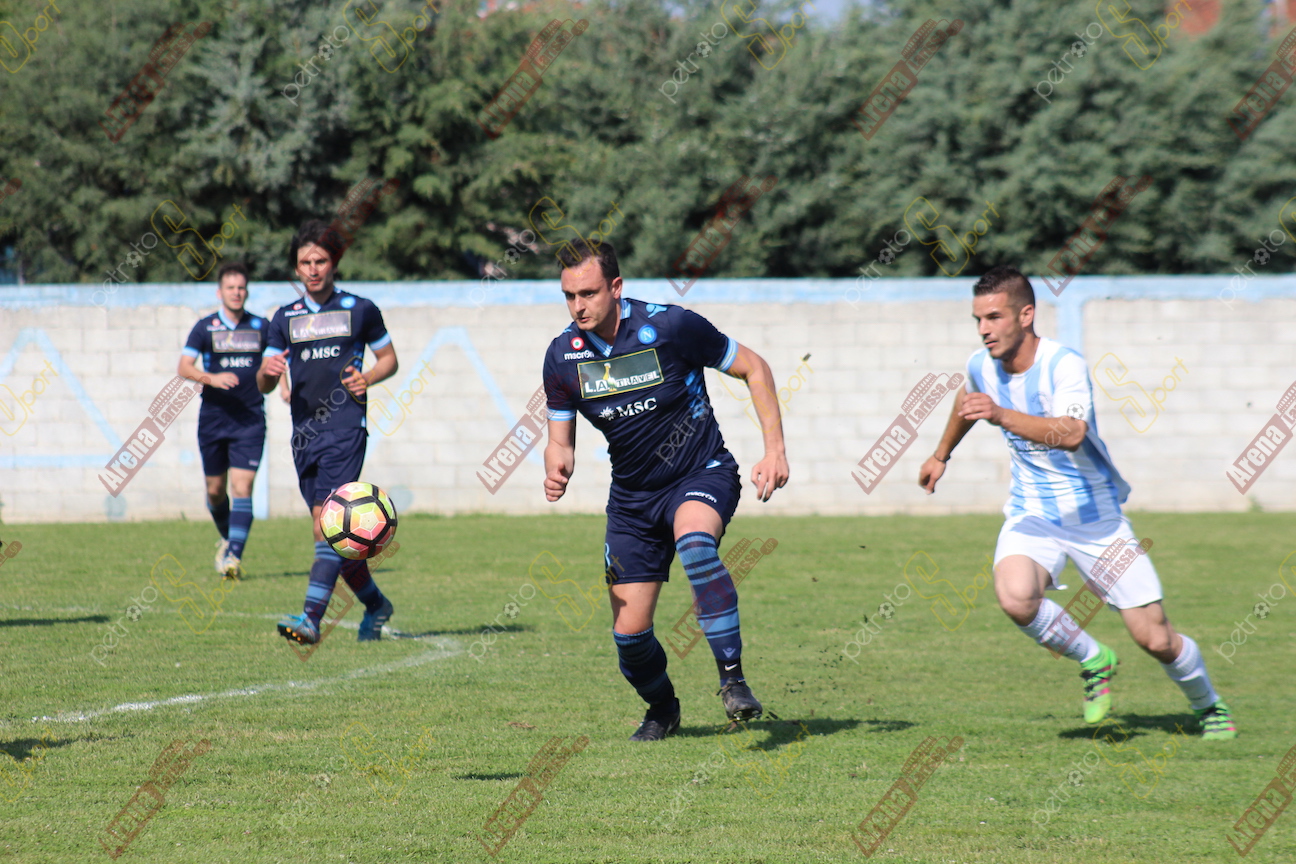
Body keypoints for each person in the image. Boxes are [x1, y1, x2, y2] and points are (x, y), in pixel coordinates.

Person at [918, 265, 1235, 739]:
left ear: (1026, 315)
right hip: (1032, 512)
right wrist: (941, 454)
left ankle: (1209, 706)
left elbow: (1070, 434)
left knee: (1155, 638)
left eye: (994, 317)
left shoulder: (1062, 365)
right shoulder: (980, 364)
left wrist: (1001, 414)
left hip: (1095, 519)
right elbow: (970, 400)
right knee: (1015, 597)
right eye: (978, 319)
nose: (984, 329)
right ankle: (1094, 659)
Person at [541, 239, 789, 741]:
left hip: (701, 472)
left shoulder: (672, 327)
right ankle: (663, 709)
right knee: (630, 639)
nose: (578, 306)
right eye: (569, 296)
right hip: (633, 502)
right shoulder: (562, 357)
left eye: (588, 293)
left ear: (616, 287)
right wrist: (557, 464)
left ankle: (733, 681)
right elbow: (559, 440)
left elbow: (754, 367)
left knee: (696, 545)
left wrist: (775, 449)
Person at [257, 220, 399, 645]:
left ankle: (311, 620)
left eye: (320, 260)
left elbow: (389, 358)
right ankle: (377, 606)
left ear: (333, 263)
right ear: (296, 268)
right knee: (336, 536)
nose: (313, 269)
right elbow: (264, 383)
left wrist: (367, 378)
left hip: (345, 427)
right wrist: (268, 373)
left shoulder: (360, 309)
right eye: (305, 262)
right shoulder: (284, 318)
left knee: (326, 529)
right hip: (304, 434)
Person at [178, 262, 267, 580]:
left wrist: (284, 387)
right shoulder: (205, 328)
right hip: (213, 419)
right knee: (215, 491)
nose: (236, 293)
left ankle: (233, 557)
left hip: (250, 420)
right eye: (231, 288)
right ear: (220, 292)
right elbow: (184, 367)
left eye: (241, 287)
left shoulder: (261, 326)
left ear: (247, 291)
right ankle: (229, 539)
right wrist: (211, 379)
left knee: (242, 486)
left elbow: (274, 362)